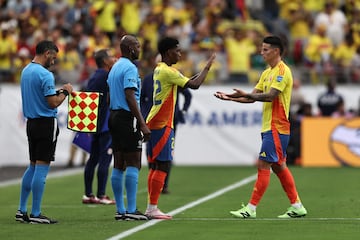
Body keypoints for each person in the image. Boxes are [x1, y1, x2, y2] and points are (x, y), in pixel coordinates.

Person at [214, 35, 307, 219]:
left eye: (265, 49)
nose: (261, 52)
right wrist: (230, 97)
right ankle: (297, 206)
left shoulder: (282, 71)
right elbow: (252, 97)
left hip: (277, 127)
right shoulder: (266, 73)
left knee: (264, 164)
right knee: (279, 167)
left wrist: (246, 95)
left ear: (276, 51)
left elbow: (270, 96)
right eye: (261, 49)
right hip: (268, 128)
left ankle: (251, 208)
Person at [145, 36, 216, 219]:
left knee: (157, 164)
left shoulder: (161, 70)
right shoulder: (168, 71)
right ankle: (152, 207)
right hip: (161, 124)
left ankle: (151, 206)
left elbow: (186, 81)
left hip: (157, 123)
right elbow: (195, 85)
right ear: (168, 52)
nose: (180, 54)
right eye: (177, 51)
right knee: (163, 163)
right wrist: (207, 67)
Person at [15, 40, 73, 224]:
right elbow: (53, 102)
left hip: (31, 123)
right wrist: (65, 91)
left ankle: (22, 209)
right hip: (46, 123)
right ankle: (36, 213)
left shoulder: (26, 71)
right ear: (47, 53)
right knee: (42, 167)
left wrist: (57, 91)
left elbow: (42, 95)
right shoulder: (45, 74)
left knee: (32, 166)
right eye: (53, 57)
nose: (54, 62)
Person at [107, 35, 151, 221]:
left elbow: (111, 96)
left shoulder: (115, 67)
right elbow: (130, 96)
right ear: (130, 48)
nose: (140, 49)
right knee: (134, 162)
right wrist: (141, 122)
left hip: (114, 116)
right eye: (138, 46)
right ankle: (131, 210)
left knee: (118, 163)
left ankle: (121, 210)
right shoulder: (130, 68)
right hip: (127, 117)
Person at [141, 65, 192, 194]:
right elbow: (141, 98)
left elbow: (188, 94)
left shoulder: (169, 75)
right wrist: (144, 114)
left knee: (166, 152)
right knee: (152, 152)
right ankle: (155, 183)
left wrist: (183, 110)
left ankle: (163, 184)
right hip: (153, 120)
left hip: (169, 120)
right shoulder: (149, 78)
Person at [81, 49, 117, 205]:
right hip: (105, 124)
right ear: (104, 61)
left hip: (94, 123)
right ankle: (101, 195)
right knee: (104, 159)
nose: (115, 58)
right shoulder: (106, 75)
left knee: (93, 158)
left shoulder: (94, 76)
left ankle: (89, 194)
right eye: (111, 57)